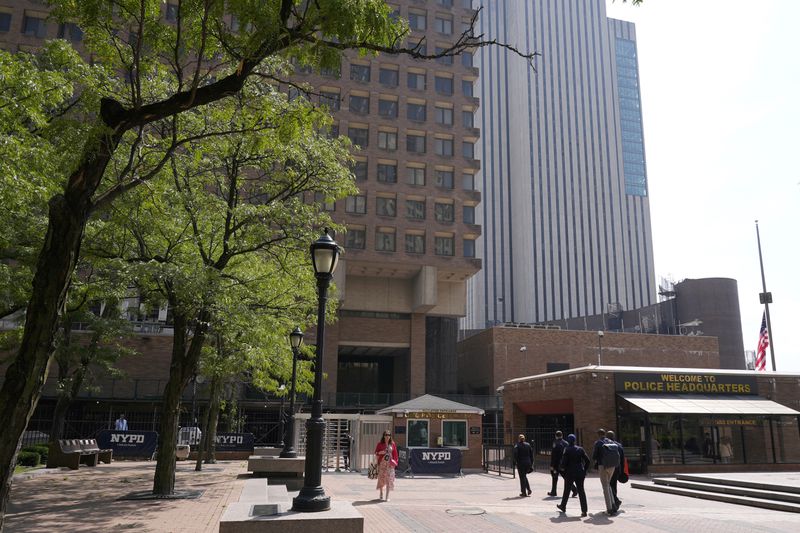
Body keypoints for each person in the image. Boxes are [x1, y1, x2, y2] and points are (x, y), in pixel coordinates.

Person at [556, 434, 590, 518]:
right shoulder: (580, 449)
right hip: (579, 472)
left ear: (568, 441)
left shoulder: (566, 449)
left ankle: (563, 506)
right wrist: (584, 470)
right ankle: (584, 510)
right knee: (581, 491)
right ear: (574, 441)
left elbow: (564, 462)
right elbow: (587, 461)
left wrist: (562, 468)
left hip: (569, 472)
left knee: (567, 490)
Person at [591, 428, 619, 516]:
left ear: (598, 434)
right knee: (608, 485)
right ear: (604, 434)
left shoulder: (598, 443)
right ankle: (613, 505)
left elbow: (594, 456)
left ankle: (609, 509)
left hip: (603, 466)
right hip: (613, 466)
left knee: (605, 487)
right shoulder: (611, 441)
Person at [548, 430, 576, 498]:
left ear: (556, 436)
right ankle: (574, 489)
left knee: (555, 477)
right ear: (562, 435)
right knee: (566, 477)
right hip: (564, 463)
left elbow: (554, 455)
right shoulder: (566, 443)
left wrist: (552, 465)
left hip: (557, 464)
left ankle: (553, 491)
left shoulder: (555, 443)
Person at [374, 431, 399, 501]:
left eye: (389, 435)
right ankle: (381, 493)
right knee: (381, 479)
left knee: (389, 479)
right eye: (386, 435)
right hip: (382, 464)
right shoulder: (380, 444)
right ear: (383, 436)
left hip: (390, 465)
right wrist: (380, 452)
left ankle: (387, 497)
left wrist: (395, 463)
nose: (387, 436)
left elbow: (395, 455)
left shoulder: (392, 444)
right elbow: (376, 452)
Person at [605, 430, 625, 510]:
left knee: (608, 485)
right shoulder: (619, 445)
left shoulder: (606, 445)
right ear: (614, 436)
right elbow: (623, 459)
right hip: (617, 467)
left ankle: (615, 502)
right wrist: (622, 470)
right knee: (614, 485)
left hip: (609, 468)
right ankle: (614, 503)